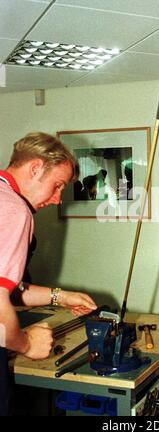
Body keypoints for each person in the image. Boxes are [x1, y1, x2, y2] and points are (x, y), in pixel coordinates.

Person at [0, 132, 97, 416]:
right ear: (35, 168)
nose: (56, 199)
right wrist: (27, 344)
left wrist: (60, 296)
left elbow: (10, 288)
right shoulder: (15, 211)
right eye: (57, 186)